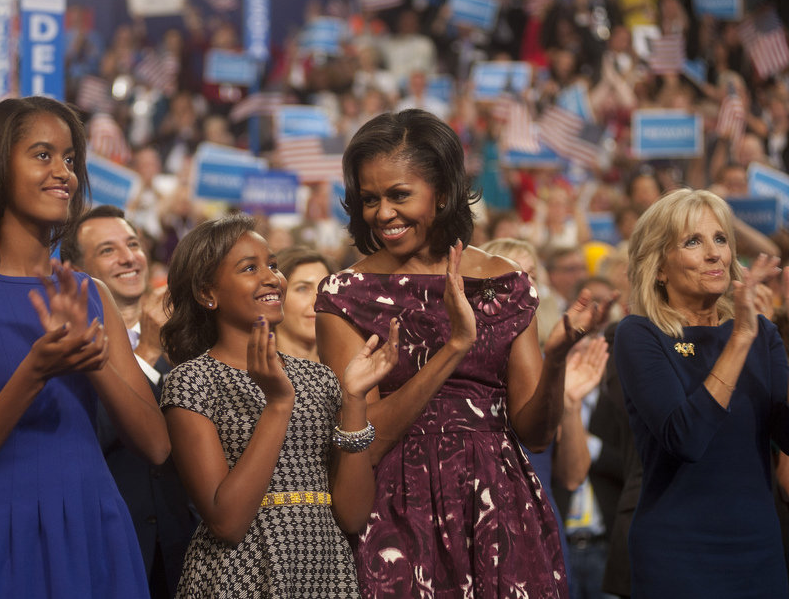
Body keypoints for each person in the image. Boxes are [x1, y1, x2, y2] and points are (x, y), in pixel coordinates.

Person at [315, 109, 613, 597]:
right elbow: (364, 443)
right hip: (393, 511)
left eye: (399, 195)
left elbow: (536, 435)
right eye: (370, 199)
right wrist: (454, 348)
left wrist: (556, 358)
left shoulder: (506, 284)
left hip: (498, 507)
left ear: (445, 192)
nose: (382, 213)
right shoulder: (344, 295)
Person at [0, 96, 170, 598]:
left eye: (70, 159)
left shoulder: (92, 296)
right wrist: (34, 372)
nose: (64, 173)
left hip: (94, 530)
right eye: (43, 155)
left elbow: (156, 445)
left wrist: (90, 359)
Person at [159, 214, 400, 598]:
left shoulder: (320, 379)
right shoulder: (192, 381)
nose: (272, 277)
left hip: (325, 573)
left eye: (272, 264)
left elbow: (353, 516)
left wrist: (354, 401)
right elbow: (227, 522)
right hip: (241, 575)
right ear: (208, 293)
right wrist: (277, 404)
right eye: (250, 268)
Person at [613, 188, 789, 597]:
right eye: (693, 241)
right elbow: (686, 438)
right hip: (677, 557)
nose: (714, 254)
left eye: (720, 239)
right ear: (658, 267)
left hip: (759, 553)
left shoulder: (763, 334)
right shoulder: (640, 334)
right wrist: (741, 336)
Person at [59, 204, 196, 598]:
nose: (127, 257)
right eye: (107, 250)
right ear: (75, 269)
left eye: (133, 244)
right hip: (109, 548)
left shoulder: (189, 341)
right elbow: (94, 433)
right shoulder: (64, 345)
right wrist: (147, 356)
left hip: (187, 545)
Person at [273, 246, 333, 362]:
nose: (318, 301)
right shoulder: (247, 371)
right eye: (302, 289)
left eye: (326, 289)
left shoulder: (347, 367)